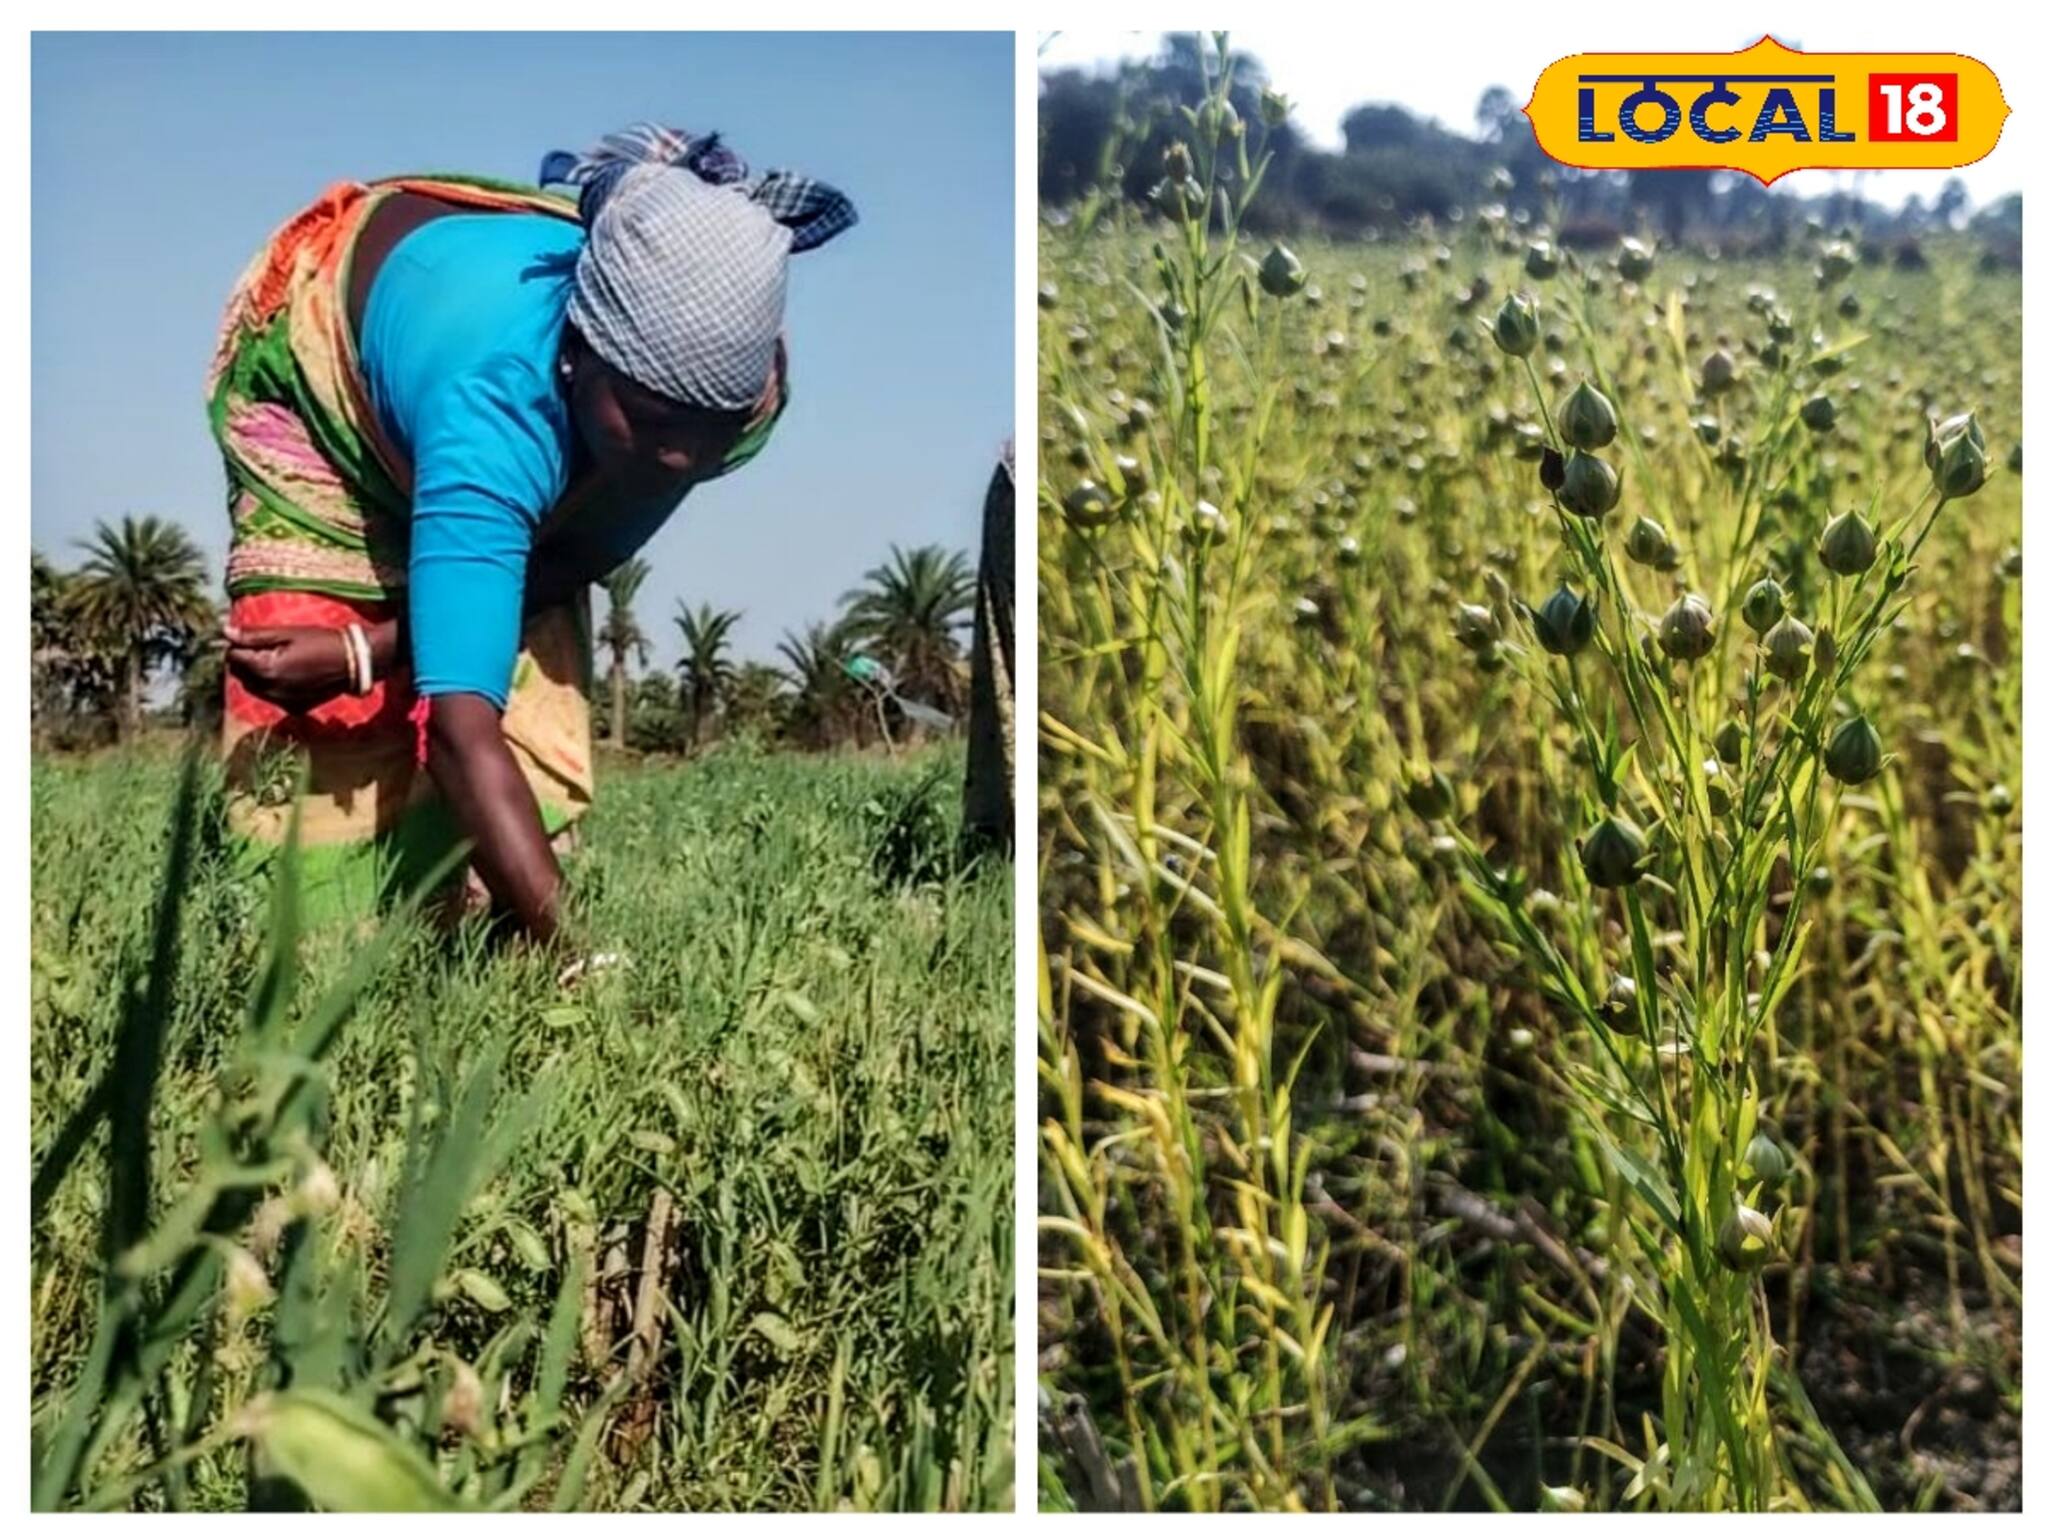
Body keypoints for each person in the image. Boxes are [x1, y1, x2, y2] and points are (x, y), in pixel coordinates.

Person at [209, 124, 854, 938]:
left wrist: (374, 650)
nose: (681, 456)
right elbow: (460, 729)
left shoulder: (736, 403)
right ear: (578, 355)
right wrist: (587, 973)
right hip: (328, 366)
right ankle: (325, 961)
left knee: (524, 668)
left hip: (483, 369)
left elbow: (568, 559)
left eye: (709, 428)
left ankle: (499, 941)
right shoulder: (498, 412)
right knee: (332, 753)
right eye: (654, 418)